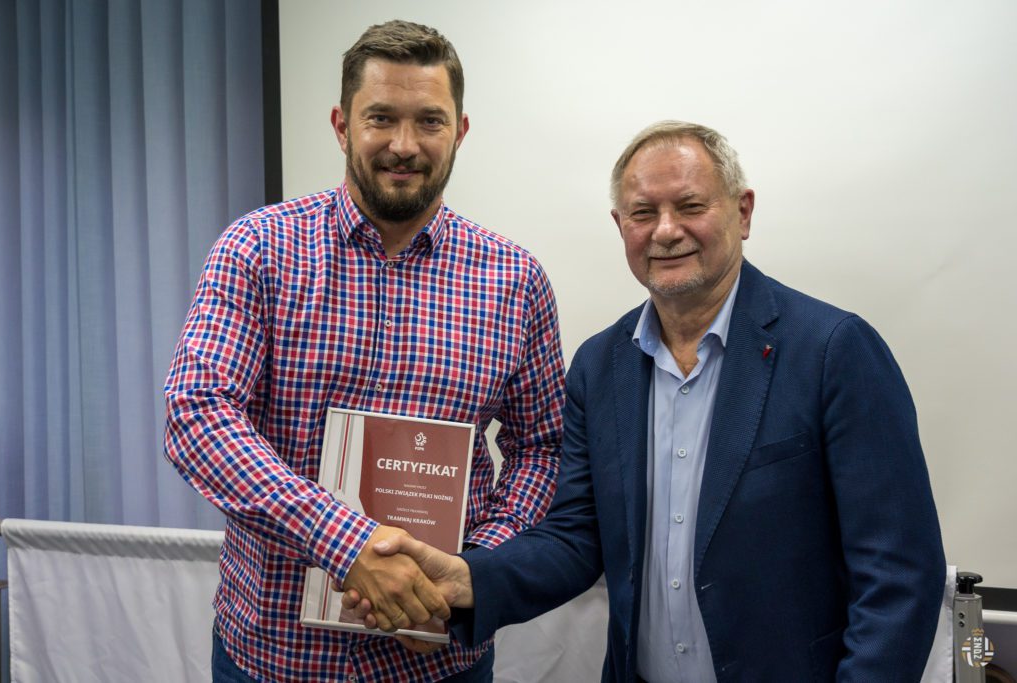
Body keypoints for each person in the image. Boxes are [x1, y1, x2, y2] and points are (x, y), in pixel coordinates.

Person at [347, 121, 946, 681]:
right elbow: (576, 537)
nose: (665, 230)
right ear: (621, 227)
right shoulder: (599, 367)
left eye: (690, 206)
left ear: (742, 212)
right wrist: (466, 580)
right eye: (642, 213)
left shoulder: (833, 350)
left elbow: (898, 574)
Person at [162, 20, 566, 682]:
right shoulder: (257, 249)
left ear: (460, 131)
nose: (404, 145)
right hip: (273, 657)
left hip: (439, 661)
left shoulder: (515, 280)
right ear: (341, 125)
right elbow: (198, 414)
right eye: (381, 117)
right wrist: (347, 544)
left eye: (429, 121)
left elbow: (543, 449)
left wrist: (464, 577)